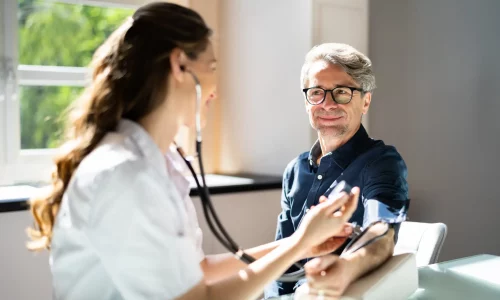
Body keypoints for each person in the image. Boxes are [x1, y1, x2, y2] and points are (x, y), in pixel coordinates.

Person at [26, 3, 360, 300]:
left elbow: (196, 270)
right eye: (212, 68)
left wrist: (297, 245)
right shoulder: (125, 175)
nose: (217, 86)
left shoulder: (160, 164)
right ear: (179, 65)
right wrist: (299, 244)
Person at [265, 43, 410, 298]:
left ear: (365, 101)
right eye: (317, 92)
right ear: (307, 102)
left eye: (341, 92)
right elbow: (283, 254)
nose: (327, 104)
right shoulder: (295, 170)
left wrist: (346, 267)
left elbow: (382, 231)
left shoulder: (382, 162)